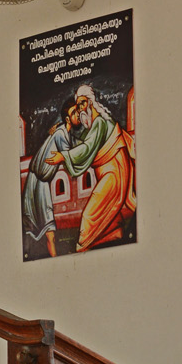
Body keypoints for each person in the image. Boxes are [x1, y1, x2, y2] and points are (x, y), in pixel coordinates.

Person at [46, 84, 135, 252]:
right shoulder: (94, 126)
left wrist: (63, 156)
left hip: (114, 175)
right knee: (107, 214)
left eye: (82, 104)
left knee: (88, 217)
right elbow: (85, 145)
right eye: (78, 106)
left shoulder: (100, 122)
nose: (80, 110)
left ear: (90, 102)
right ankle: (114, 233)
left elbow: (87, 148)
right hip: (110, 174)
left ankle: (83, 247)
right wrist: (63, 130)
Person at [21, 101, 87, 256]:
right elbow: (71, 154)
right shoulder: (60, 134)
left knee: (47, 232)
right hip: (37, 185)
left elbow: (74, 147)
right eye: (74, 113)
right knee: (49, 232)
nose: (78, 115)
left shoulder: (64, 133)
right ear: (68, 119)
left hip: (39, 183)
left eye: (78, 112)